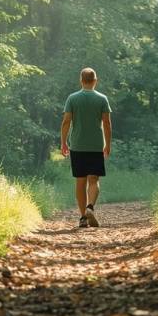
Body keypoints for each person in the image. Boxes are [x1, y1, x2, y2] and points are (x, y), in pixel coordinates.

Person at [61, 67, 112, 228]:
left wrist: (63, 142)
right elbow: (107, 124)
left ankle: (83, 217)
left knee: (80, 181)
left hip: (77, 145)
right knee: (94, 179)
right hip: (96, 145)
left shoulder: (72, 98)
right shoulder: (102, 99)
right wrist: (108, 144)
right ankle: (91, 207)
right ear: (95, 81)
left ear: (81, 80)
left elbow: (66, 121)